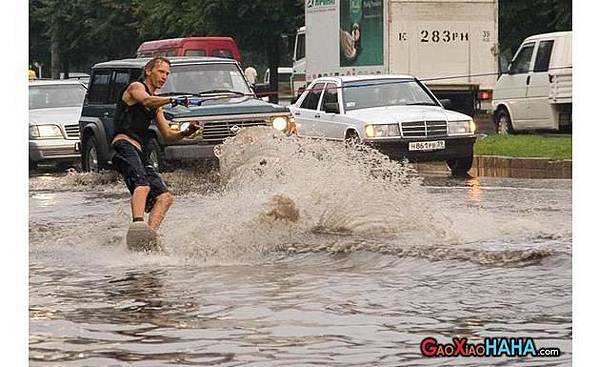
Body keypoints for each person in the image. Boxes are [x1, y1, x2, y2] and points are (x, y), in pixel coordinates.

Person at [111, 56, 200, 247]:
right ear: (149, 71)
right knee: (142, 185)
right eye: (161, 72)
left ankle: (148, 237)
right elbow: (147, 100)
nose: (164, 77)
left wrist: (186, 132)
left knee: (165, 198)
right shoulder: (135, 87)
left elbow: (167, 135)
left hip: (139, 151)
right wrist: (172, 99)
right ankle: (137, 226)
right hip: (124, 145)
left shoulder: (156, 106)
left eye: (167, 74)